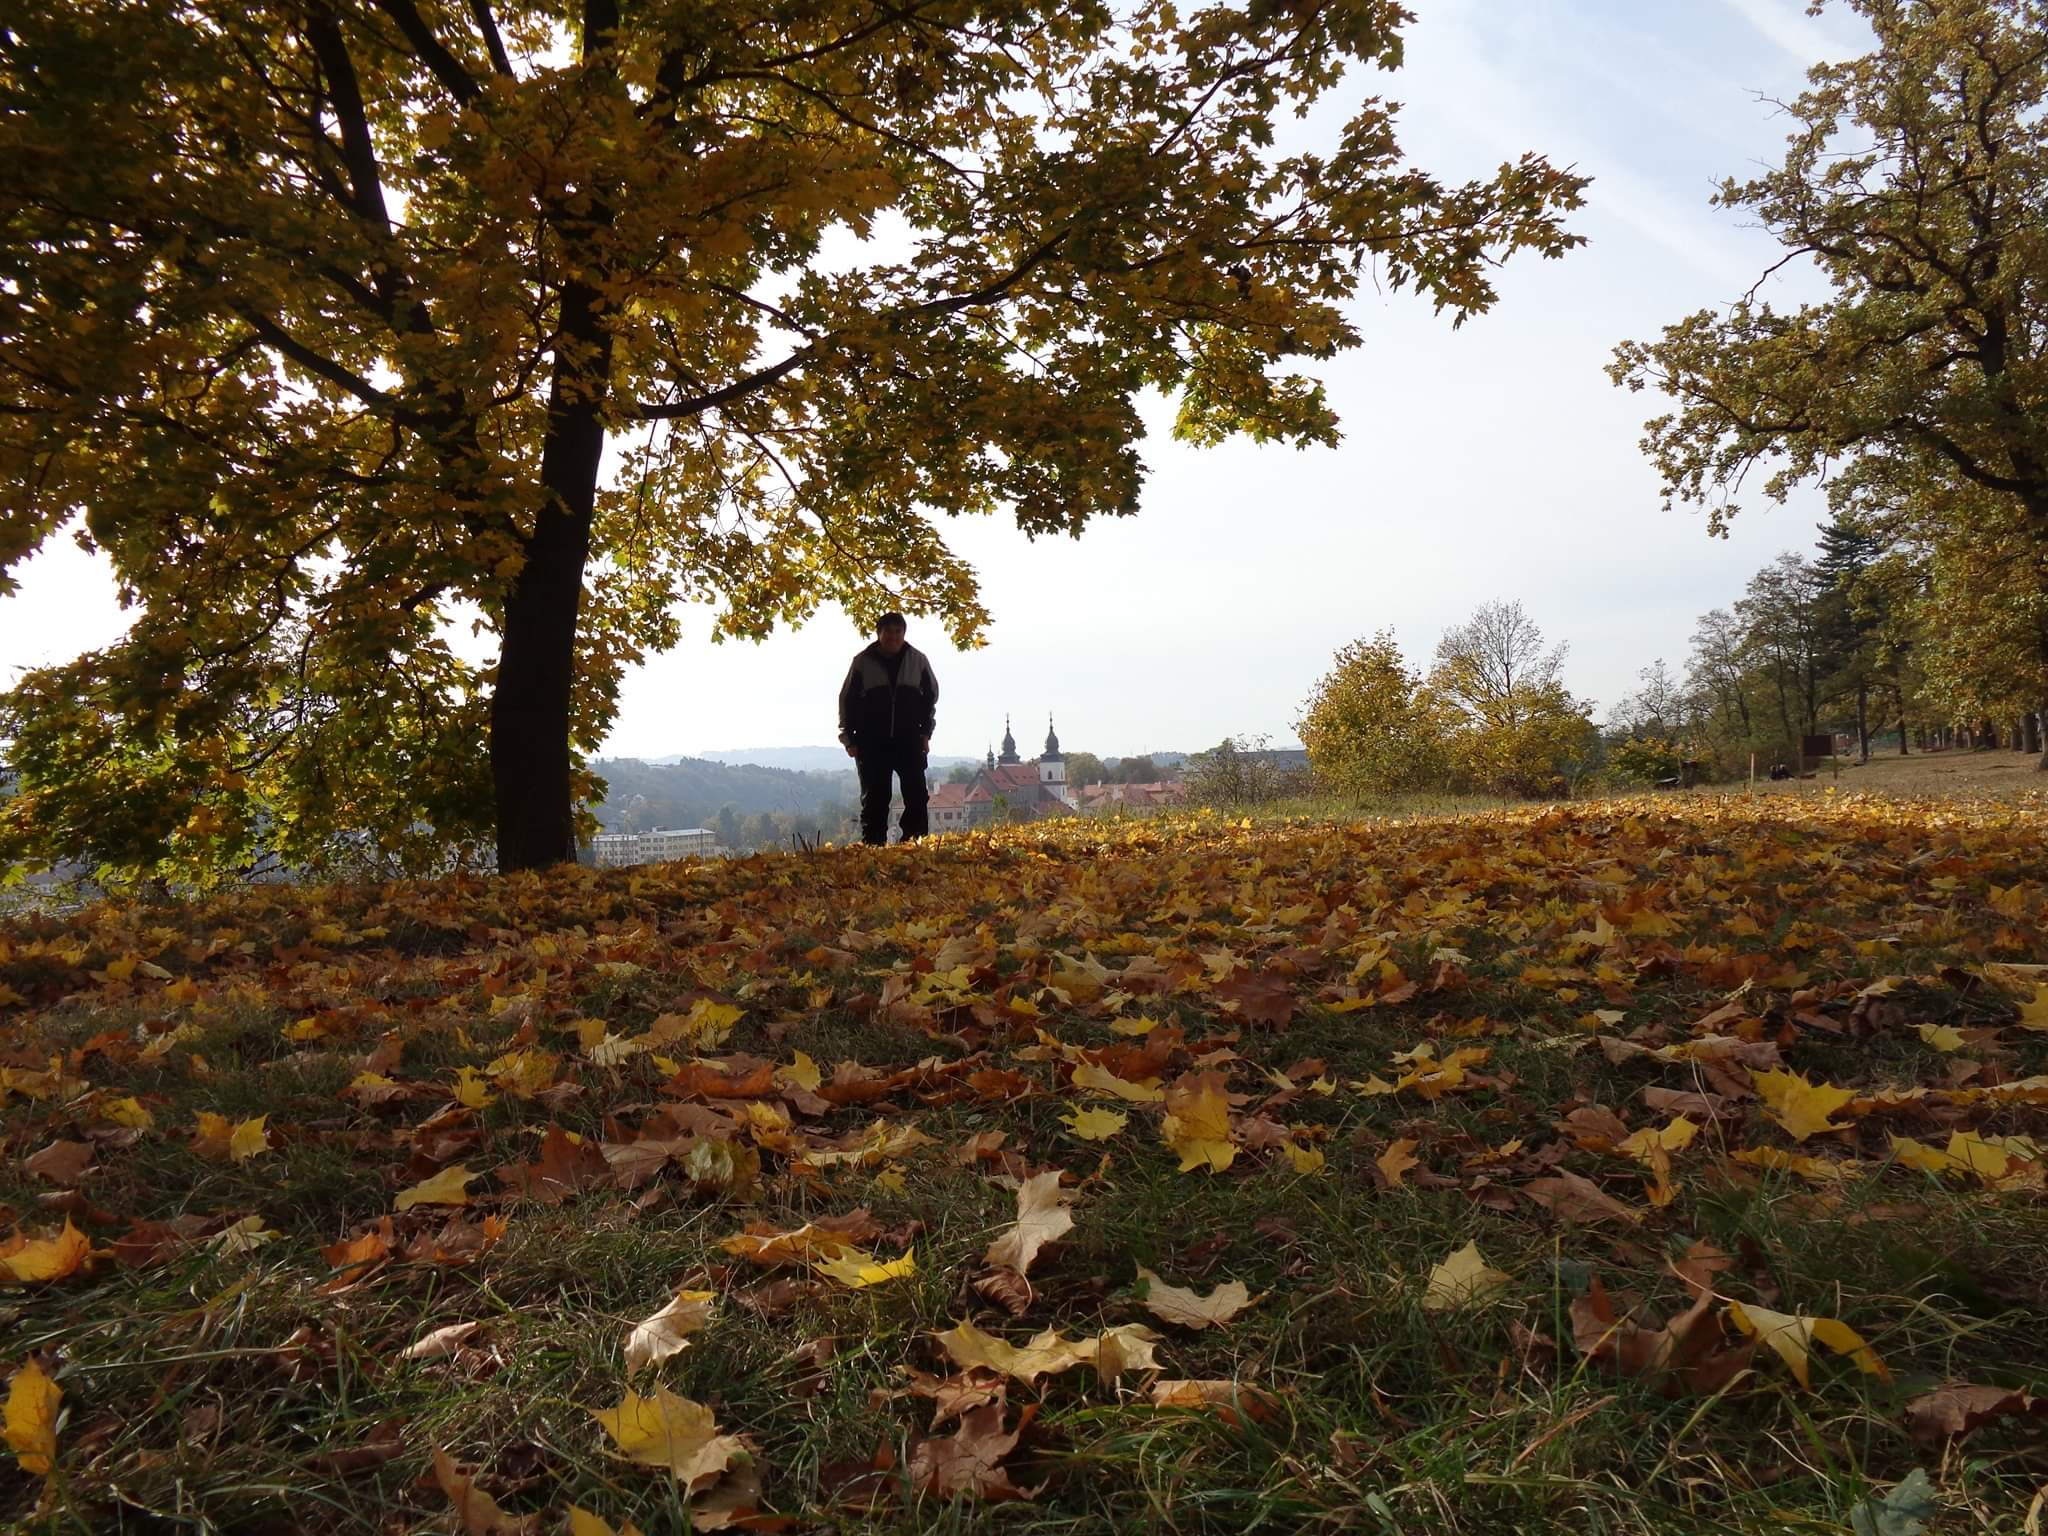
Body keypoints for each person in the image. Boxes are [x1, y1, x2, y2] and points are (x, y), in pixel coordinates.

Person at [837, 613, 938, 845]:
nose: (893, 637)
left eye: (897, 632)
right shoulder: (862, 662)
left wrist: (925, 733)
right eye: (888, 632)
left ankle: (914, 842)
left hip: (909, 739)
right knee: (875, 799)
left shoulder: (918, 660)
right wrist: (848, 739)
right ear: (879, 633)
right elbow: (847, 700)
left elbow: (930, 698)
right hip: (871, 742)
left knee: (917, 795)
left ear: (904, 634)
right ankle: (873, 845)